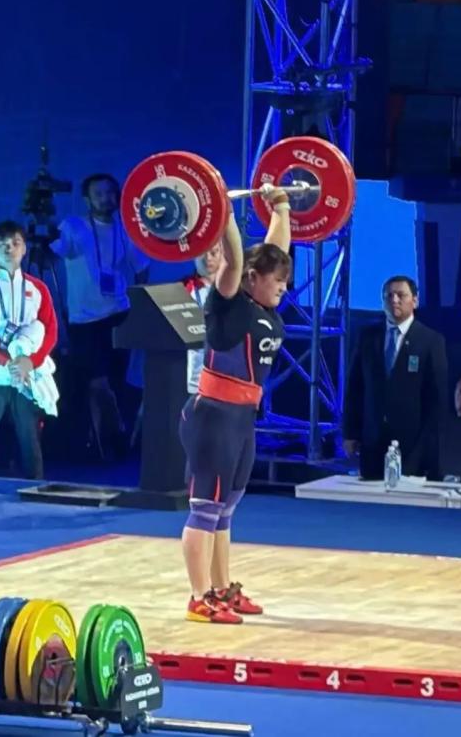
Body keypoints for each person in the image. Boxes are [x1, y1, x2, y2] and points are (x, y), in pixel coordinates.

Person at [179, 186, 291, 624]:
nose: (284, 285)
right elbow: (234, 258)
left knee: (226, 508)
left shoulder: (265, 302)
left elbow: (275, 252)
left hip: (242, 419)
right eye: (276, 280)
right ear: (251, 278)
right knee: (205, 508)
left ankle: (222, 589)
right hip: (213, 417)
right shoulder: (228, 301)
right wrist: (222, 211)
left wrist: (281, 206)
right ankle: (198, 598)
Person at [51, 173, 150, 456]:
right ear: (87, 199)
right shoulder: (73, 226)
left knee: (114, 380)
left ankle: (104, 443)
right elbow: (53, 252)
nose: (105, 199)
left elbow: (142, 266)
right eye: (98, 194)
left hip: (119, 313)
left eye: (109, 193)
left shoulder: (125, 229)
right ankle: (112, 434)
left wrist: (138, 302)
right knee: (97, 381)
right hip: (83, 319)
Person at [0, 220, 58, 479]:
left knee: (31, 444)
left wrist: (31, 362)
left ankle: (34, 490)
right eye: (2, 244)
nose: (9, 249)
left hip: (28, 379)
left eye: (15, 243)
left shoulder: (38, 289)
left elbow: (50, 331)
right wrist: (9, 363)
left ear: (24, 248)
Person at [343, 275, 448, 479]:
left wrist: (430, 446)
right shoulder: (368, 336)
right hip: (372, 442)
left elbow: (437, 399)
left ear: (414, 301)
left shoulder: (430, 341)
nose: (394, 300)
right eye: (388, 296)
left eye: (401, 295)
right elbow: (354, 388)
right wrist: (350, 433)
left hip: (412, 445)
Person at [183, 243, 223, 395]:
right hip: (194, 380)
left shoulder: (232, 291)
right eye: (202, 252)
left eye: (214, 252)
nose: (208, 258)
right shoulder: (184, 289)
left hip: (223, 377)